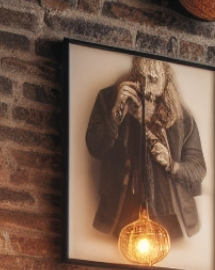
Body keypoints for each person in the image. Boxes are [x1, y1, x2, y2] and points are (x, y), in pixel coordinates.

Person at [84, 56, 207, 243]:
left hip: (172, 216)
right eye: (141, 78)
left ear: (166, 78)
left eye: (153, 79)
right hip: (121, 212)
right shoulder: (110, 99)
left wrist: (172, 165)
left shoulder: (182, 116)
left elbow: (198, 168)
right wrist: (116, 113)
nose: (146, 86)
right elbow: (95, 148)